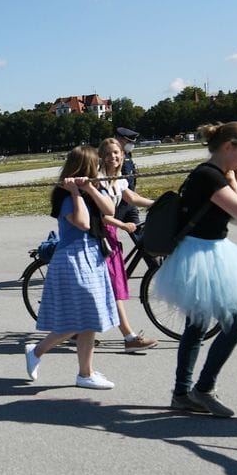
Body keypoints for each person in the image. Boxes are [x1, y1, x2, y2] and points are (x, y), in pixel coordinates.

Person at [153, 122, 237, 418]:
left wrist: (234, 176)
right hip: (202, 254)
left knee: (198, 326)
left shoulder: (214, 175)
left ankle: (183, 393)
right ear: (228, 147)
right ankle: (201, 389)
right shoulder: (208, 176)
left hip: (209, 251)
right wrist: (236, 178)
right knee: (235, 325)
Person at [23, 146, 120, 390]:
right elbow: (84, 223)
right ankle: (38, 350)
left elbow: (110, 210)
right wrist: (76, 192)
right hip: (73, 260)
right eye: (95, 165)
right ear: (85, 167)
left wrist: (88, 188)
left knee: (89, 319)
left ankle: (84, 373)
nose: (98, 169)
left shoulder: (93, 189)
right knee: (79, 319)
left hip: (92, 257)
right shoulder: (64, 196)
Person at [97, 137, 158, 350]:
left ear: (122, 155)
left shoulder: (118, 179)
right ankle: (129, 338)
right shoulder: (99, 179)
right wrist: (122, 225)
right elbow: (99, 216)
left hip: (109, 235)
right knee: (112, 287)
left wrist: (159, 203)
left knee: (107, 287)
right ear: (102, 157)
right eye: (109, 153)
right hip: (98, 237)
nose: (113, 156)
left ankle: (78, 330)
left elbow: (131, 198)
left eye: (116, 153)